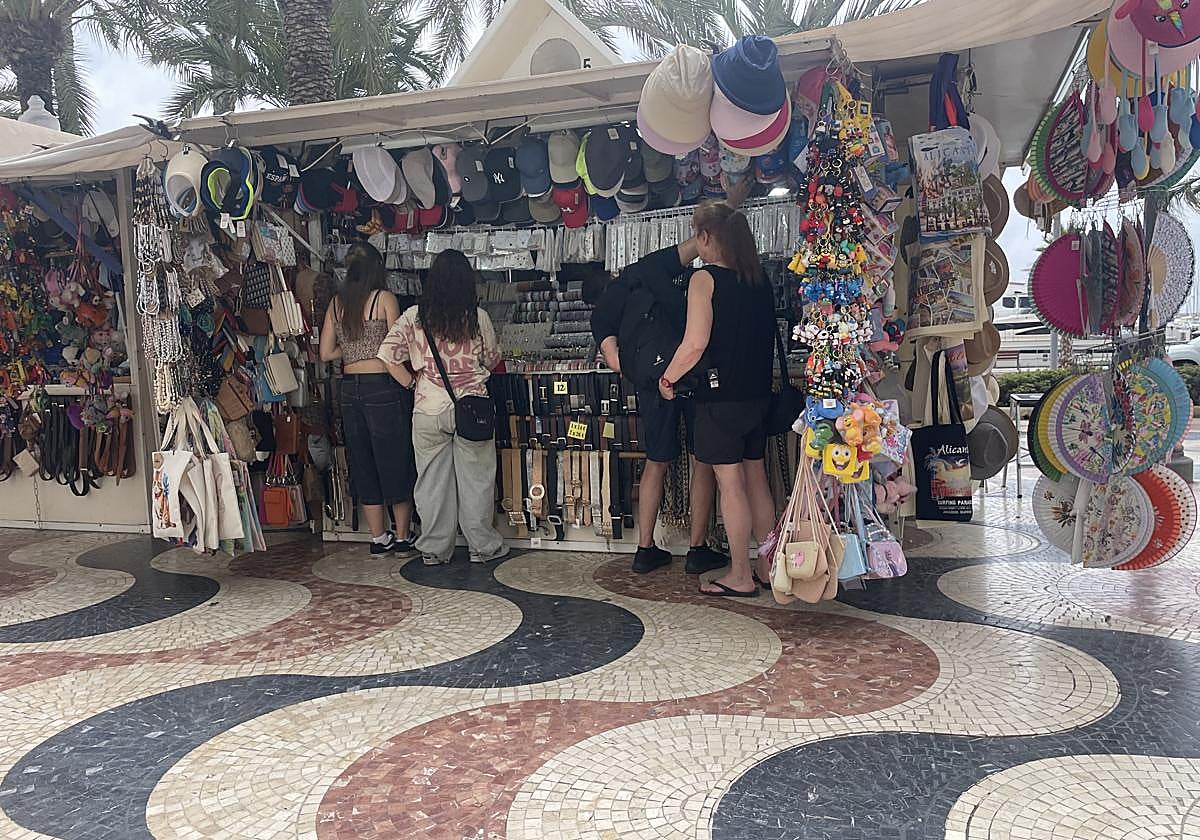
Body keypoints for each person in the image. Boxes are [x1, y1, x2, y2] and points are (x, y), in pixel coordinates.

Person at [589, 178, 751, 577]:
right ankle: (697, 548)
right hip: (696, 378)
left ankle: (645, 548)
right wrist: (728, 208)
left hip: (653, 380)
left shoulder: (643, 271)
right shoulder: (701, 276)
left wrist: (613, 353)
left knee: (656, 462)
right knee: (704, 462)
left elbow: (603, 318)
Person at [658, 202, 777, 597]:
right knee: (757, 480)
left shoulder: (704, 280)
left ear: (706, 238)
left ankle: (740, 574)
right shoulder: (760, 281)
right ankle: (768, 566)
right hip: (758, 396)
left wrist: (668, 377)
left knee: (731, 486)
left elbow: (694, 344)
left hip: (718, 397)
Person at [378, 249, 508, 567]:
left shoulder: (414, 317)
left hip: (428, 408)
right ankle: (482, 546)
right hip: (472, 407)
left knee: (432, 482)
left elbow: (386, 355)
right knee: (477, 479)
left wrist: (411, 383)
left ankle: (435, 549)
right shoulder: (478, 318)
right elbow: (492, 358)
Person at [319, 242, 416, 556]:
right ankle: (402, 537)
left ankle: (378, 538)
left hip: (350, 388)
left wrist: (351, 351)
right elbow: (398, 347)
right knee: (394, 456)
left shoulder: (337, 304)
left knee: (363, 459)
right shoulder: (384, 299)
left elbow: (325, 352)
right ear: (377, 269)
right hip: (383, 386)